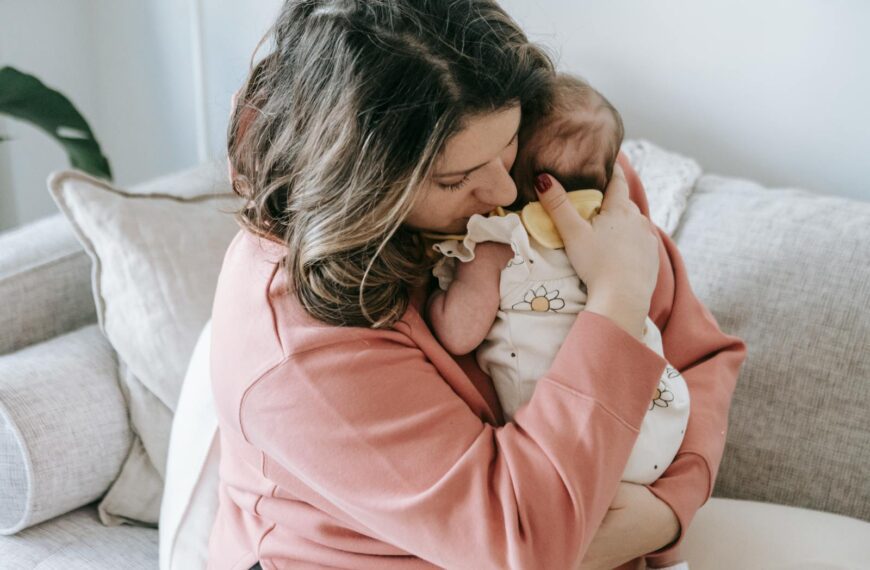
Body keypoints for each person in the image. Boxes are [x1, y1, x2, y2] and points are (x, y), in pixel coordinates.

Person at [208, 1, 747, 569]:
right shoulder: (296, 339)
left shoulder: (556, 171)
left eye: (507, 142)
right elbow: (522, 539)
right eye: (455, 178)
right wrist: (617, 300)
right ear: (359, 186)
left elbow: (700, 356)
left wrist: (668, 510)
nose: (501, 191)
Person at [425, 73, 693, 567]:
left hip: (575, 441)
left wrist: (439, 293)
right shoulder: (619, 227)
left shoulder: (495, 241)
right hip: (663, 414)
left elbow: (458, 332)